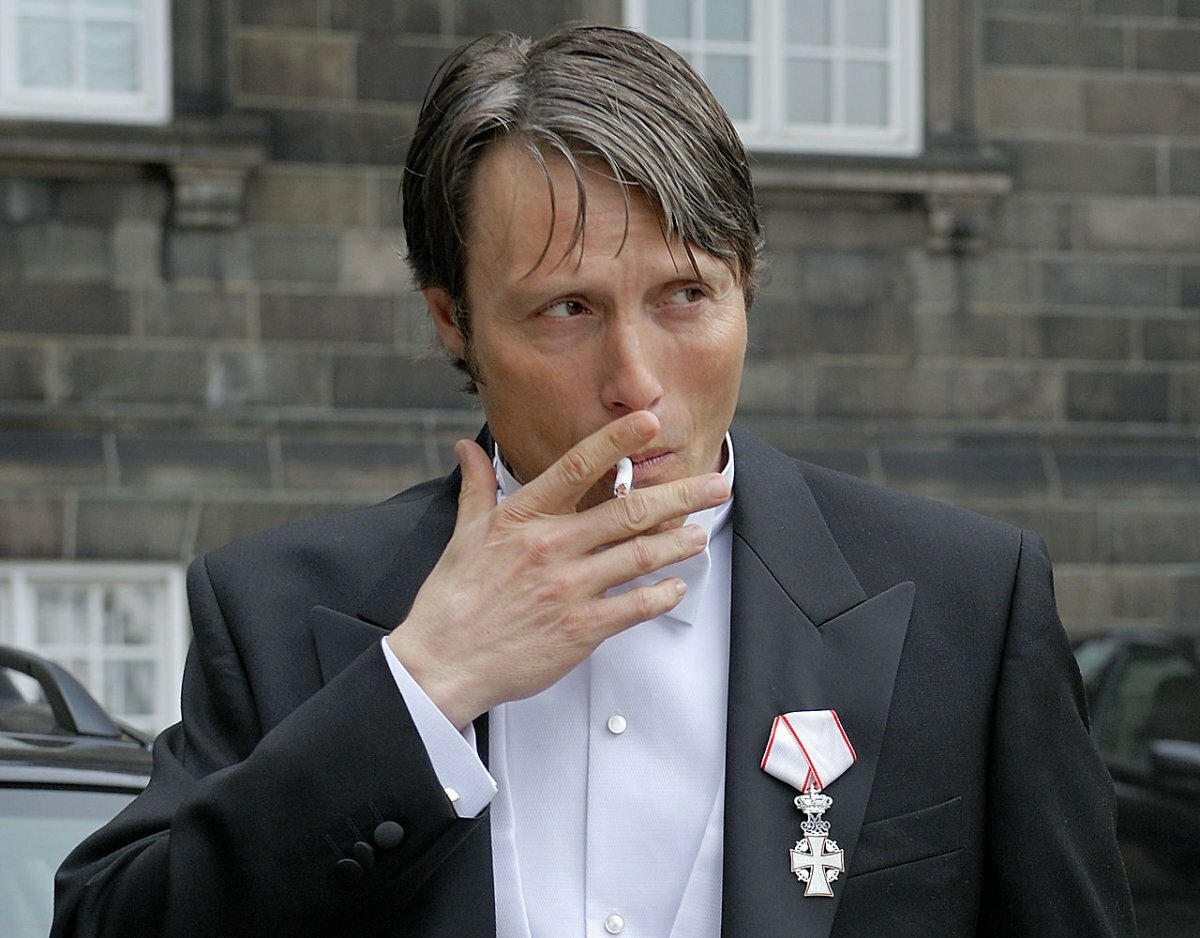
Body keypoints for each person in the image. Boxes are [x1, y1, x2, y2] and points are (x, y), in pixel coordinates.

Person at [53, 25, 1134, 938]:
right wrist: (422, 688)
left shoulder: (967, 603)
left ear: (747, 284)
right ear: (452, 321)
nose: (637, 382)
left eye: (684, 295)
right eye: (567, 309)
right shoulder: (274, 611)